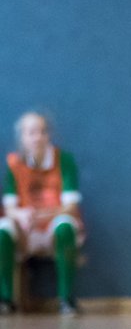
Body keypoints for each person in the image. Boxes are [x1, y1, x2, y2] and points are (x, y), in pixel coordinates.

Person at [1, 112, 85, 315]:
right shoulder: (14, 164)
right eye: (31, 132)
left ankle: (67, 299)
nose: (37, 137)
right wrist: (21, 215)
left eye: (42, 131)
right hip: (25, 229)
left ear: (48, 135)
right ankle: (5, 299)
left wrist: (41, 216)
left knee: (66, 226)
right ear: (22, 137)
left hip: (53, 225)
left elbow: (70, 205)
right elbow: (9, 206)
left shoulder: (64, 160)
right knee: (2, 229)